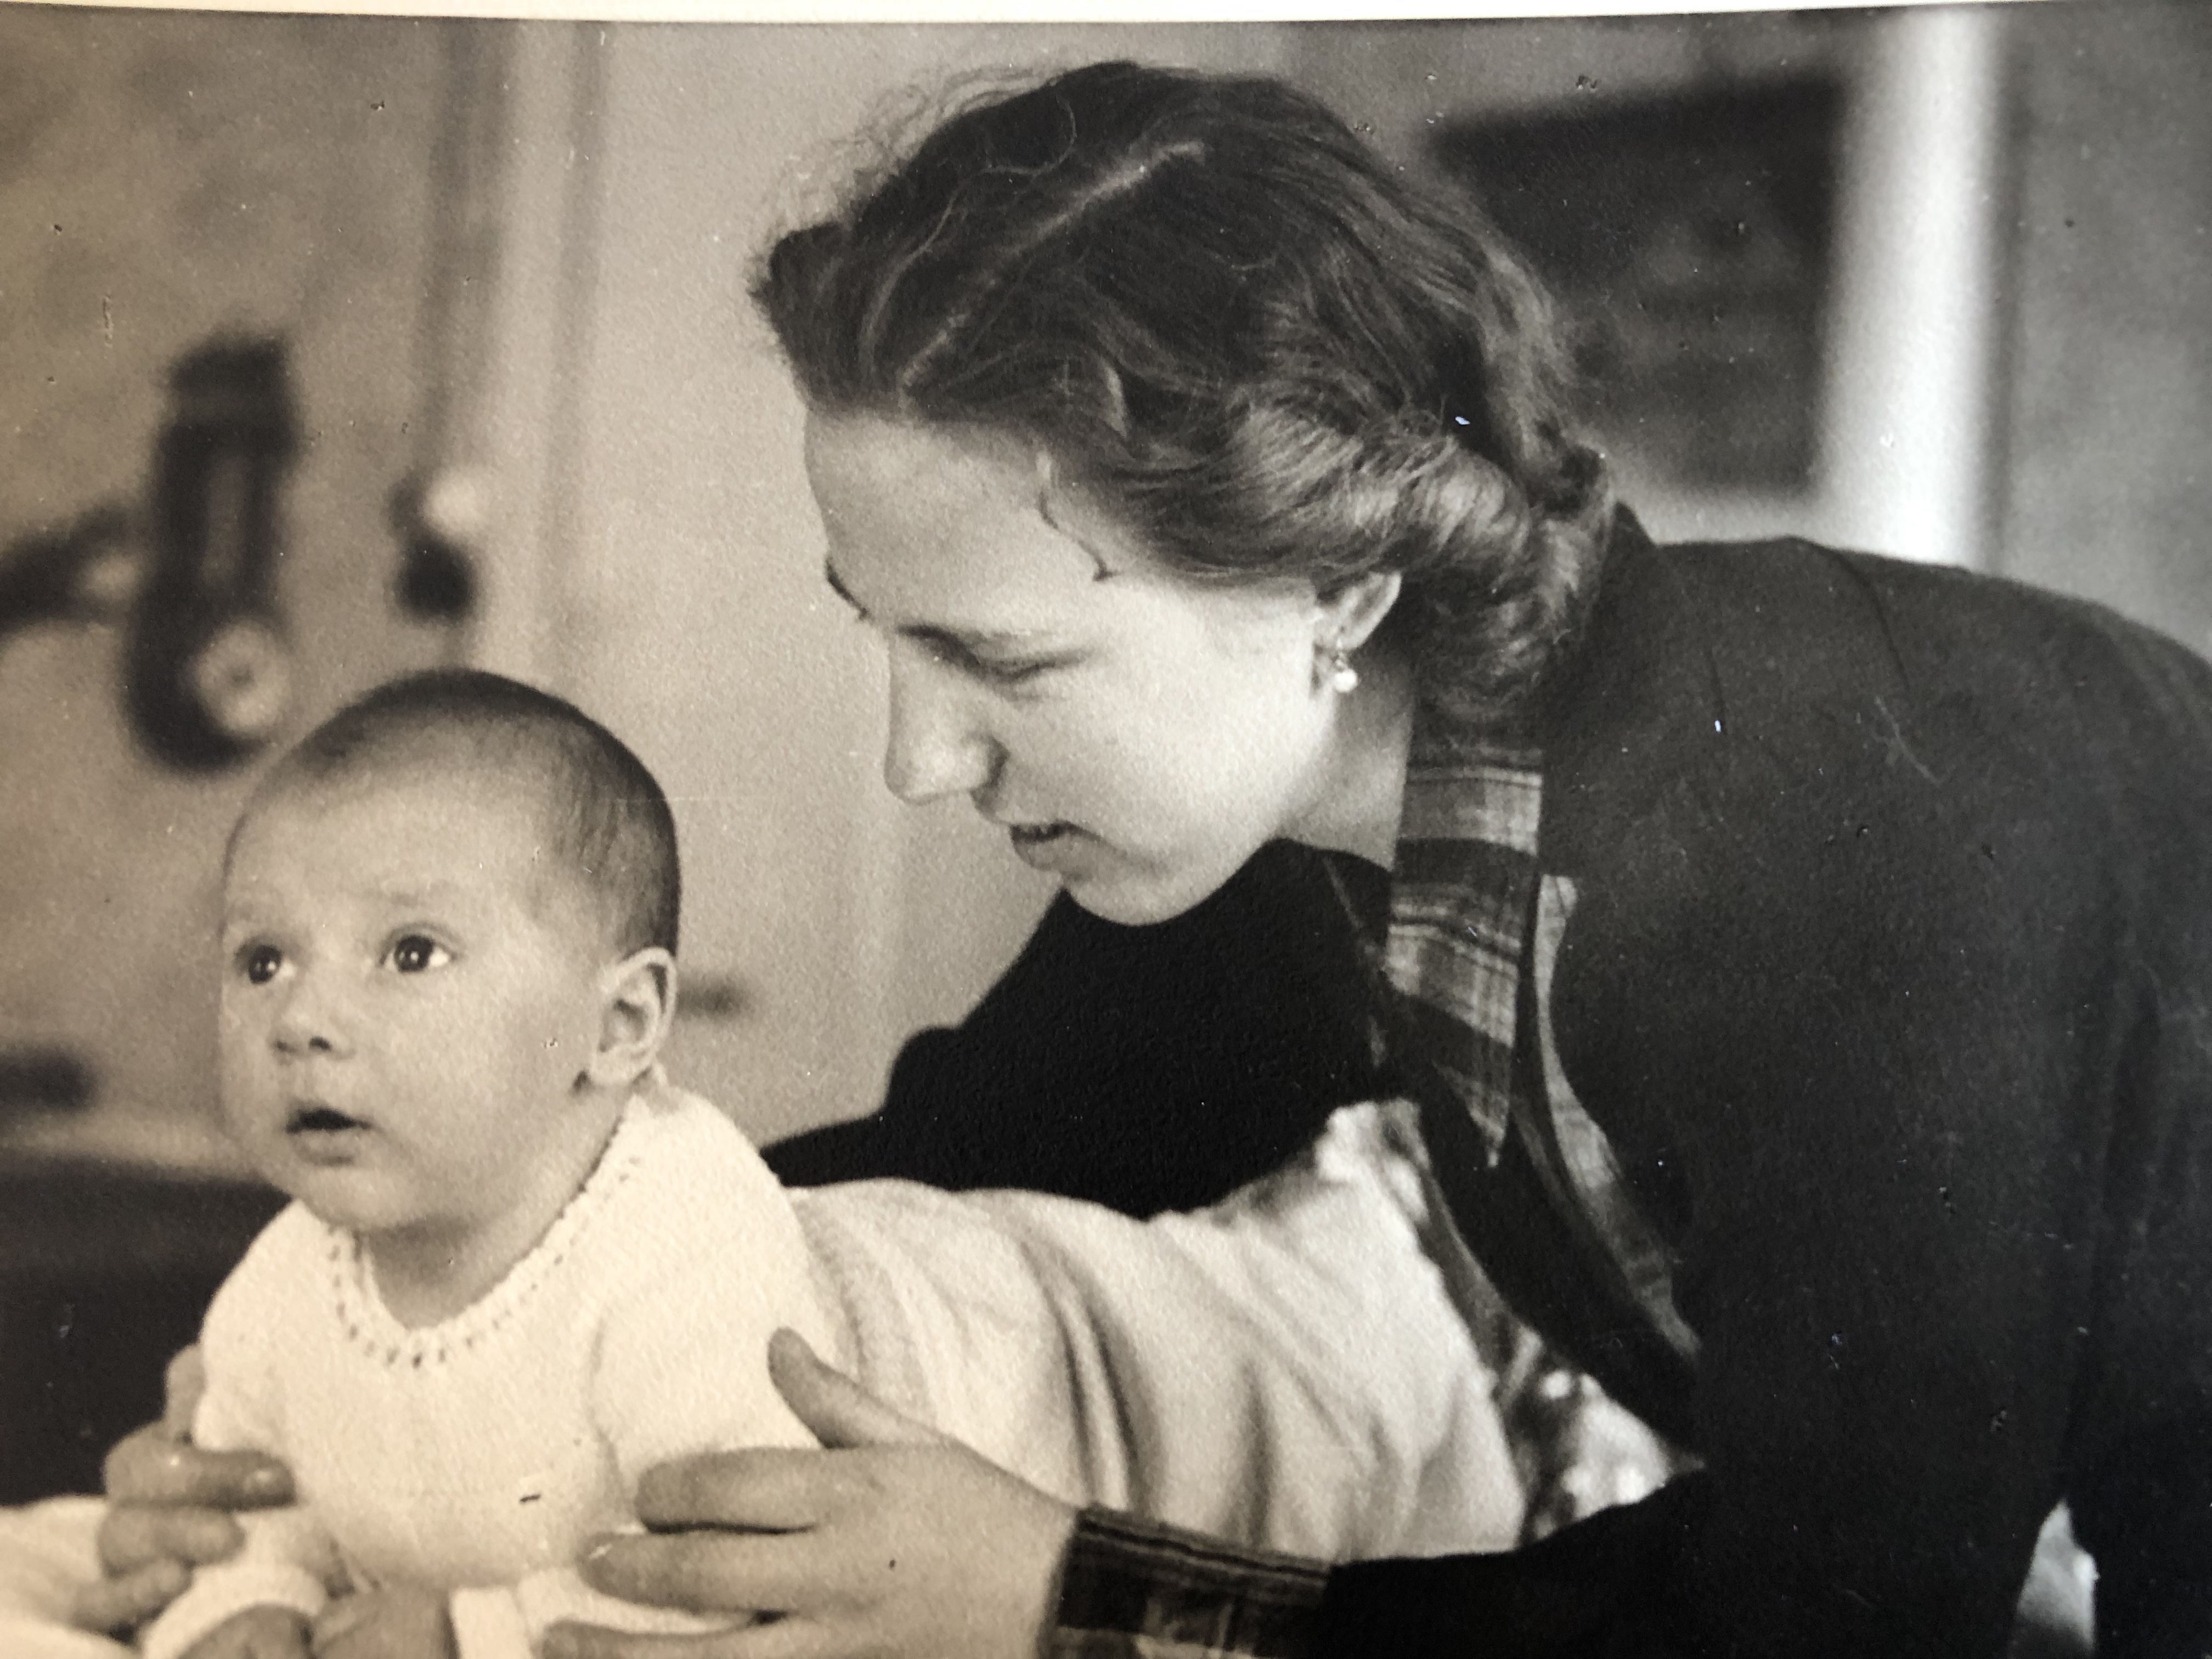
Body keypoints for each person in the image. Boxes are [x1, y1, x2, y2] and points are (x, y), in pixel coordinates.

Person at [93, 56, 2212, 1659]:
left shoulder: (1842, 851)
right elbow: (932, 1164)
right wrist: (390, 1344)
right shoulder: (1298, 849)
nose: (920, 760)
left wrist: (1074, 1594)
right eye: (888, 638)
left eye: (1005, 658)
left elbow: (1846, 1614)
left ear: (1340, 581)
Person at [63, 668, 1516, 1659]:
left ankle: (1410, 1320)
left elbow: (757, 1582)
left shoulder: (681, 1264)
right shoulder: (286, 1279)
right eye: (262, 960)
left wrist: (468, 1634)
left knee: (1318, 1403)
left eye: (410, 954)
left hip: (1138, 1355)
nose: (303, 1019)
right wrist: (237, 1602)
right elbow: (245, 1508)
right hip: (934, 1209)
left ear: (622, 1025)